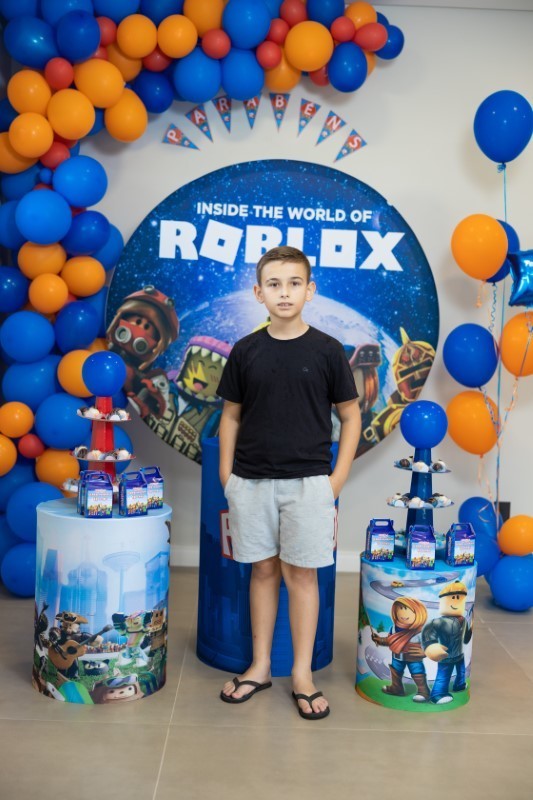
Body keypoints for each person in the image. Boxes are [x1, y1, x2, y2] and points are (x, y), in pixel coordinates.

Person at [217, 246, 361, 720]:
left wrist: (337, 479)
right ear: (258, 293)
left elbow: (351, 415)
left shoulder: (327, 350)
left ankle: (302, 674)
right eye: (274, 284)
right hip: (251, 482)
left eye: (294, 283)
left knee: (302, 575)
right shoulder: (246, 350)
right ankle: (260, 666)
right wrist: (226, 476)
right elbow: (231, 415)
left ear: (310, 290)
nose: (285, 292)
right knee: (262, 571)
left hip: (309, 485)